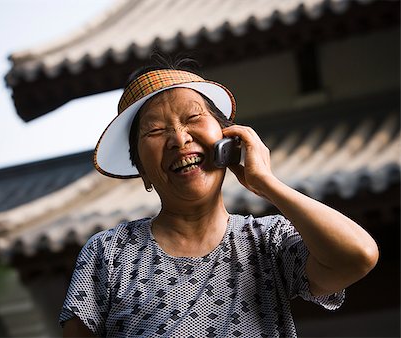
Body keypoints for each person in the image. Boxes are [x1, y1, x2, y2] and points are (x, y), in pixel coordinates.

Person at [60, 58, 379, 337]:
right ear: (142, 171)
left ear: (228, 141)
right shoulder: (109, 253)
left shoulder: (268, 241)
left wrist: (267, 183)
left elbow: (358, 256)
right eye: (155, 131)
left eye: (192, 118)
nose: (179, 139)